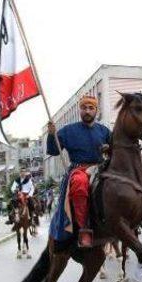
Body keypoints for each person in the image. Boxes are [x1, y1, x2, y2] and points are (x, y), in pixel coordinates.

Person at [47, 95, 111, 247]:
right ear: (80, 110)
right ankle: (83, 229)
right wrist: (51, 134)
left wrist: (110, 148)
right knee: (79, 183)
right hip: (79, 169)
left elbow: (115, 149)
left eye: (91, 108)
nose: (87, 111)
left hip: (101, 168)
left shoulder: (104, 131)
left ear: (96, 110)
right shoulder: (68, 130)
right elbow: (53, 150)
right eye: (84, 108)